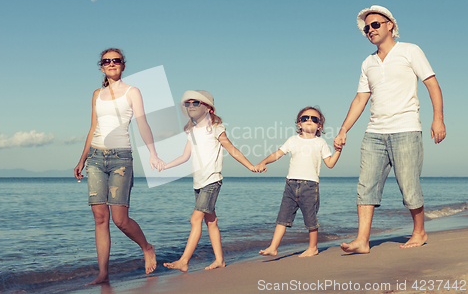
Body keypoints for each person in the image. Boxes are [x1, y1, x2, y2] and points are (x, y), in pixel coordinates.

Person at [334, 5, 446, 254]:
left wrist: (438, 118)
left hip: (406, 129)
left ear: (390, 25)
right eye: (366, 28)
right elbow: (360, 99)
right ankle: (362, 240)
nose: (370, 30)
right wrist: (344, 130)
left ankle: (420, 231)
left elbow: (432, 84)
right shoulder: (368, 63)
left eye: (375, 24)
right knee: (366, 186)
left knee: (409, 185)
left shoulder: (410, 51)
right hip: (374, 133)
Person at [74, 48, 164, 285]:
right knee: (99, 217)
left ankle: (146, 247)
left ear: (123, 65)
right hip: (95, 158)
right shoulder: (96, 94)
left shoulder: (132, 92)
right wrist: (82, 158)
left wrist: (153, 154)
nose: (111, 63)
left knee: (120, 219)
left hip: (121, 159)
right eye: (106, 61)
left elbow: (142, 123)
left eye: (116, 60)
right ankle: (103, 273)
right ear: (101, 67)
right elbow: (92, 128)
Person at [162, 90, 256, 272]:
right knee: (211, 222)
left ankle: (184, 261)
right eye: (187, 104)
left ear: (208, 108)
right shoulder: (191, 131)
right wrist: (165, 166)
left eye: (195, 103)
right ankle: (220, 260)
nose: (191, 106)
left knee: (195, 219)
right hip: (198, 183)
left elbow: (232, 149)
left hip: (212, 181)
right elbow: (184, 156)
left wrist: (250, 166)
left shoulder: (216, 129)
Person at [256, 107, 342, 257]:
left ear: (319, 126)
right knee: (282, 218)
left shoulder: (320, 142)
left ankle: (313, 247)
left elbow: (330, 163)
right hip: (291, 185)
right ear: (299, 124)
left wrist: (338, 151)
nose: (309, 120)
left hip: (310, 186)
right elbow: (278, 154)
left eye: (314, 119)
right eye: (305, 118)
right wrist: (264, 162)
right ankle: (273, 247)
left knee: (311, 219)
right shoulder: (292, 140)